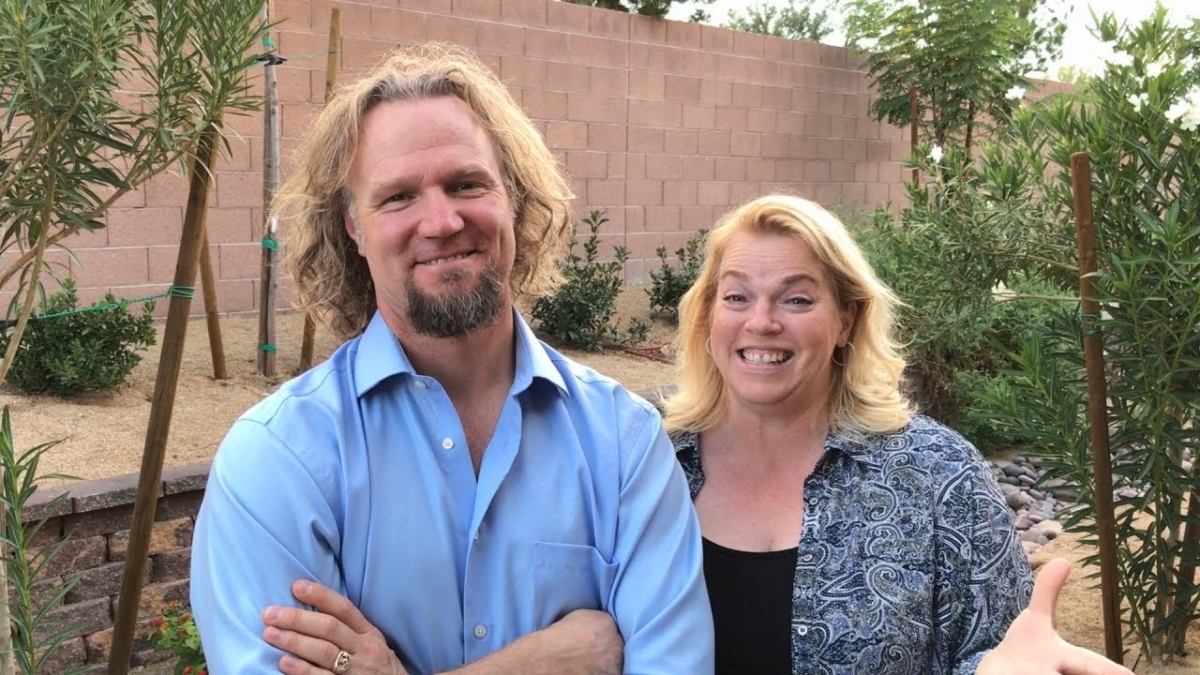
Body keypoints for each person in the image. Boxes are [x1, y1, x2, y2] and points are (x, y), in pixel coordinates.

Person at [189, 42, 714, 675]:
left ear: (514, 200)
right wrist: (542, 662)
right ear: (353, 227)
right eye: (398, 197)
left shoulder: (625, 446)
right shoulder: (277, 459)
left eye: (466, 184)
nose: (440, 222)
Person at [661, 194, 1134, 675]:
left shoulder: (939, 473)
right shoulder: (649, 465)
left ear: (846, 320)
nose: (761, 321)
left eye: (797, 298)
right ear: (707, 316)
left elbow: (996, 652)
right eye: (736, 296)